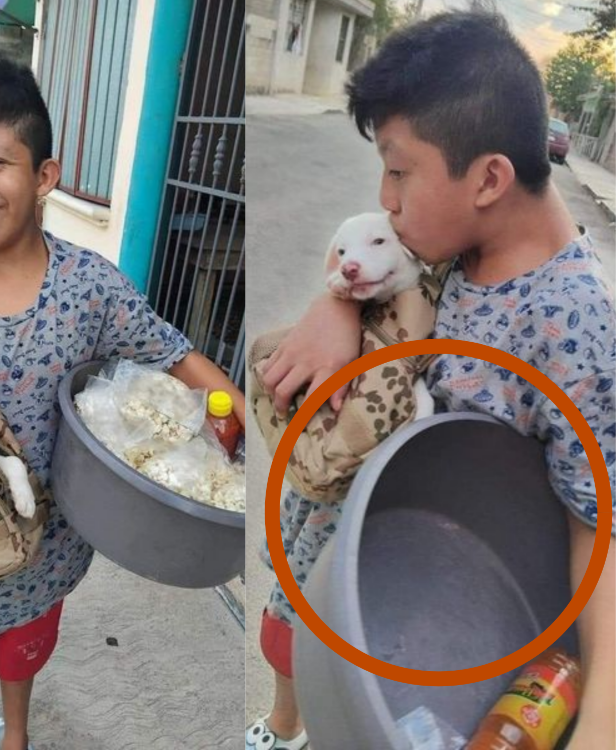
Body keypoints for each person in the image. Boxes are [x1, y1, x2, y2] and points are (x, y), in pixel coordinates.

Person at [249, 11, 614, 750]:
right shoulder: (445, 242)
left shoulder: (575, 326)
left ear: (488, 179)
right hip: (332, 542)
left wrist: (600, 722)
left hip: (424, 606)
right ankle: (282, 726)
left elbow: (598, 532)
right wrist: (334, 306)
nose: (385, 195)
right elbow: (371, 264)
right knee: (288, 649)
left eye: (399, 169)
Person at [0, 58, 245, 750]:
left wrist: (233, 405)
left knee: (25, 647)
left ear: (44, 176)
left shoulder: (89, 287)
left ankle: (14, 733)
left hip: (51, 546)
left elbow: (173, 353)